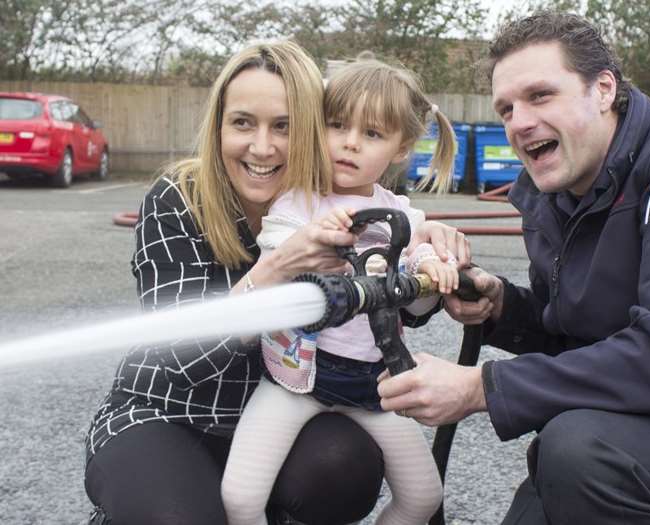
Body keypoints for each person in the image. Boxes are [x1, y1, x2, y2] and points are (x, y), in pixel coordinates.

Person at [83, 41, 467, 525]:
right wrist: (274, 269)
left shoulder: (330, 196)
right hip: (168, 410)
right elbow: (178, 353)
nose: (262, 148)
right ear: (218, 125)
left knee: (344, 466)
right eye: (243, 122)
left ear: (309, 127)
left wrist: (429, 250)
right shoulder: (178, 199)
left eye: (283, 126)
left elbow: (402, 300)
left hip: (292, 404)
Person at [378, 11, 650, 525]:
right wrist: (501, 306)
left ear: (603, 89)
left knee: (581, 452)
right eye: (507, 108)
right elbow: (581, 340)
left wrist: (478, 388)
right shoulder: (552, 193)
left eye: (540, 96)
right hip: (648, 428)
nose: (519, 121)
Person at [220, 59, 459, 525]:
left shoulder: (404, 217)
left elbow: (418, 299)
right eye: (336, 125)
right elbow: (276, 256)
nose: (349, 142)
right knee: (240, 498)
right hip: (295, 382)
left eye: (371, 134)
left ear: (400, 148)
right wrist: (313, 238)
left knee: (423, 498)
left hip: (374, 384)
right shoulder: (297, 202)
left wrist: (431, 268)